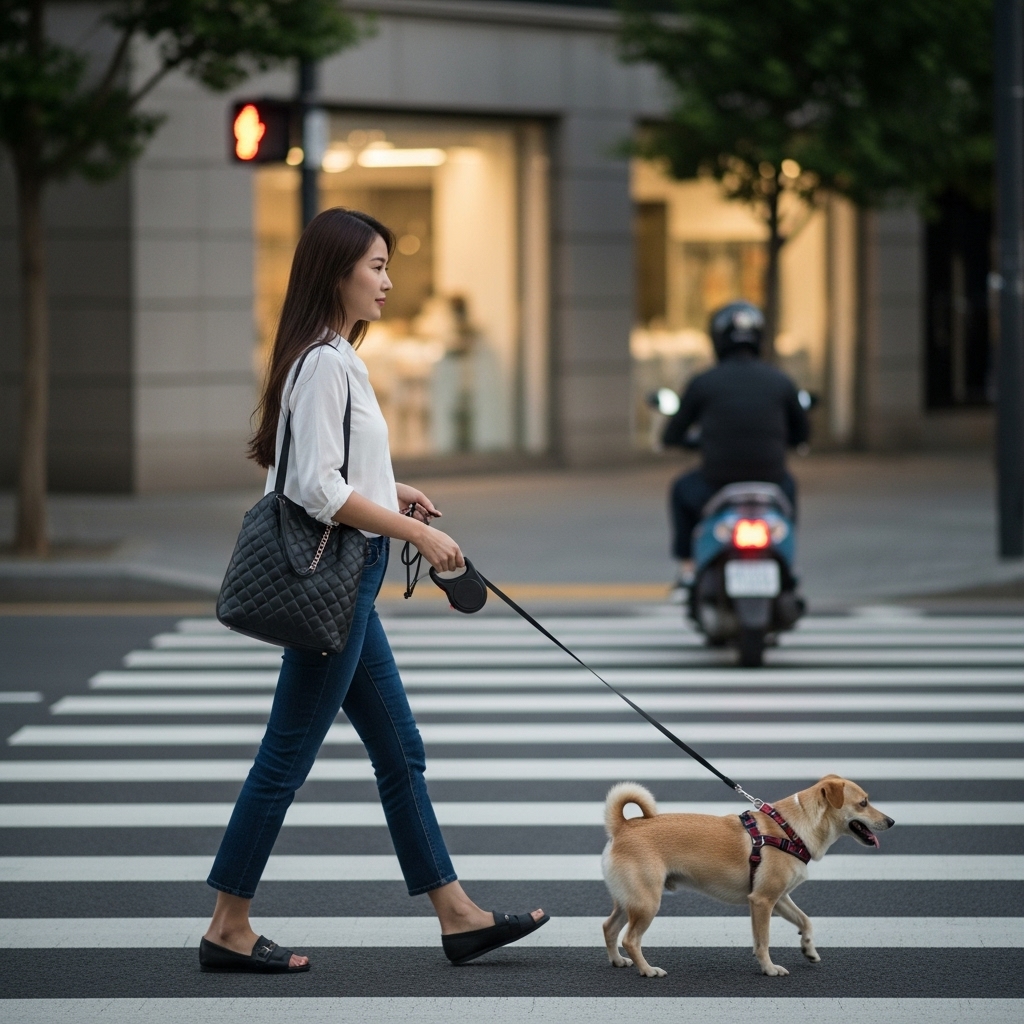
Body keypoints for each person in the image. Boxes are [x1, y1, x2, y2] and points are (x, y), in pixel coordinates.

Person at [200, 208, 547, 973]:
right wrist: (412, 532)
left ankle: (457, 915)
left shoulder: (322, 356)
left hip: (347, 582)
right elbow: (316, 488)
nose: (389, 281)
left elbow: (324, 473)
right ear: (338, 273)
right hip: (336, 584)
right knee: (286, 758)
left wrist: (395, 492)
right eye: (377, 267)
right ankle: (228, 926)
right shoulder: (326, 361)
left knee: (399, 751)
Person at [662, 302, 809, 589]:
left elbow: (673, 434)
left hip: (717, 482)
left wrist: (691, 441)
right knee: (790, 495)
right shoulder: (780, 381)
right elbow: (802, 433)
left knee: (681, 490)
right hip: (771, 480)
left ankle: (688, 567)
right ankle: (787, 564)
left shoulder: (703, 382)